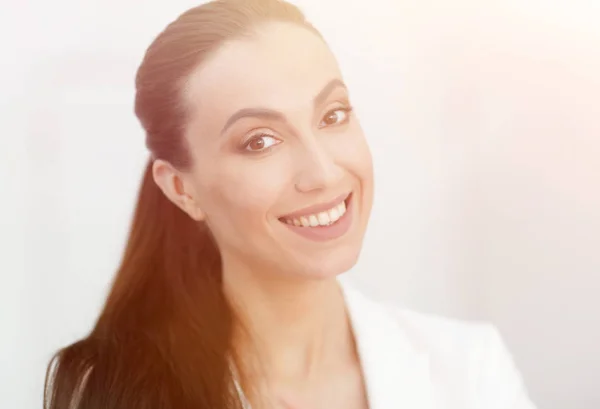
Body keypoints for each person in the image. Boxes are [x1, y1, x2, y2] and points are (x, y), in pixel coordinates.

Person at [44, 0, 537, 408]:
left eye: (333, 115)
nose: (323, 173)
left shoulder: (470, 372)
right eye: (260, 141)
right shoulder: (111, 392)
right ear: (181, 189)